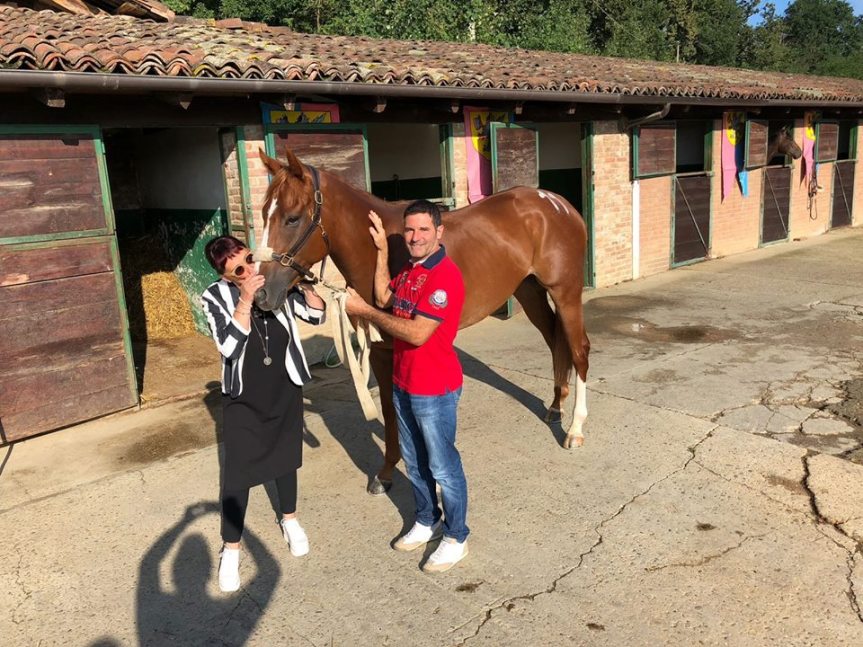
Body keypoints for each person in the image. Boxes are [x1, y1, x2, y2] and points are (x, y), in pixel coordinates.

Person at [345, 199, 468, 573]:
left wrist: (364, 312)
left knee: (443, 467)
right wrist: (383, 251)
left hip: (434, 388)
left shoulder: (443, 277)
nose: (414, 238)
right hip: (403, 383)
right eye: (410, 231)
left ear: (439, 232)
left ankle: (456, 536)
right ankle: (426, 519)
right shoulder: (412, 272)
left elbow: (416, 333)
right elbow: (385, 297)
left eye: (423, 230)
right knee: (415, 463)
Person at [201, 235, 326, 592]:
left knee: (285, 458)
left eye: (250, 259)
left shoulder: (275, 281)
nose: (250, 270)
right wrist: (243, 301)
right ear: (227, 276)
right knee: (238, 474)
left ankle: (290, 520)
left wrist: (303, 283)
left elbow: (316, 316)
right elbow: (228, 345)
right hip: (245, 396)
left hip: (284, 386)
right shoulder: (214, 297)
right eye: (238, 269)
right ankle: (231, 548)